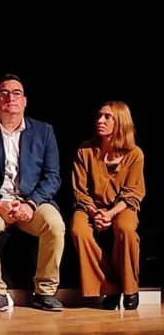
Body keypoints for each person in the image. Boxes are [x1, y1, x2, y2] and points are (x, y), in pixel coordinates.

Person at [0, 74, 65, 313]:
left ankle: (45, 292)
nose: (11, 98)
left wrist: (31, 203)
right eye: (4, 93)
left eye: (16, 93)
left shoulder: (44, 131)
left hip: (32, 202)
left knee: (54, 224)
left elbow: (52, 176)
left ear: (25, 101)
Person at [70, 101, 145, 311]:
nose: (99, 121)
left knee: (126, 229)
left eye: (107, 117)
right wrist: (95, 212)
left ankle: (130, 288)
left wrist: (110, 214)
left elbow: (133, 192)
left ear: (120, 121)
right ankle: (110, 286)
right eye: (99, 116)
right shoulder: (85, 150)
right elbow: (79, 190)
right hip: (90, 207)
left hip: (122, 207)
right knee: (79, 230)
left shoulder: (134, 154)